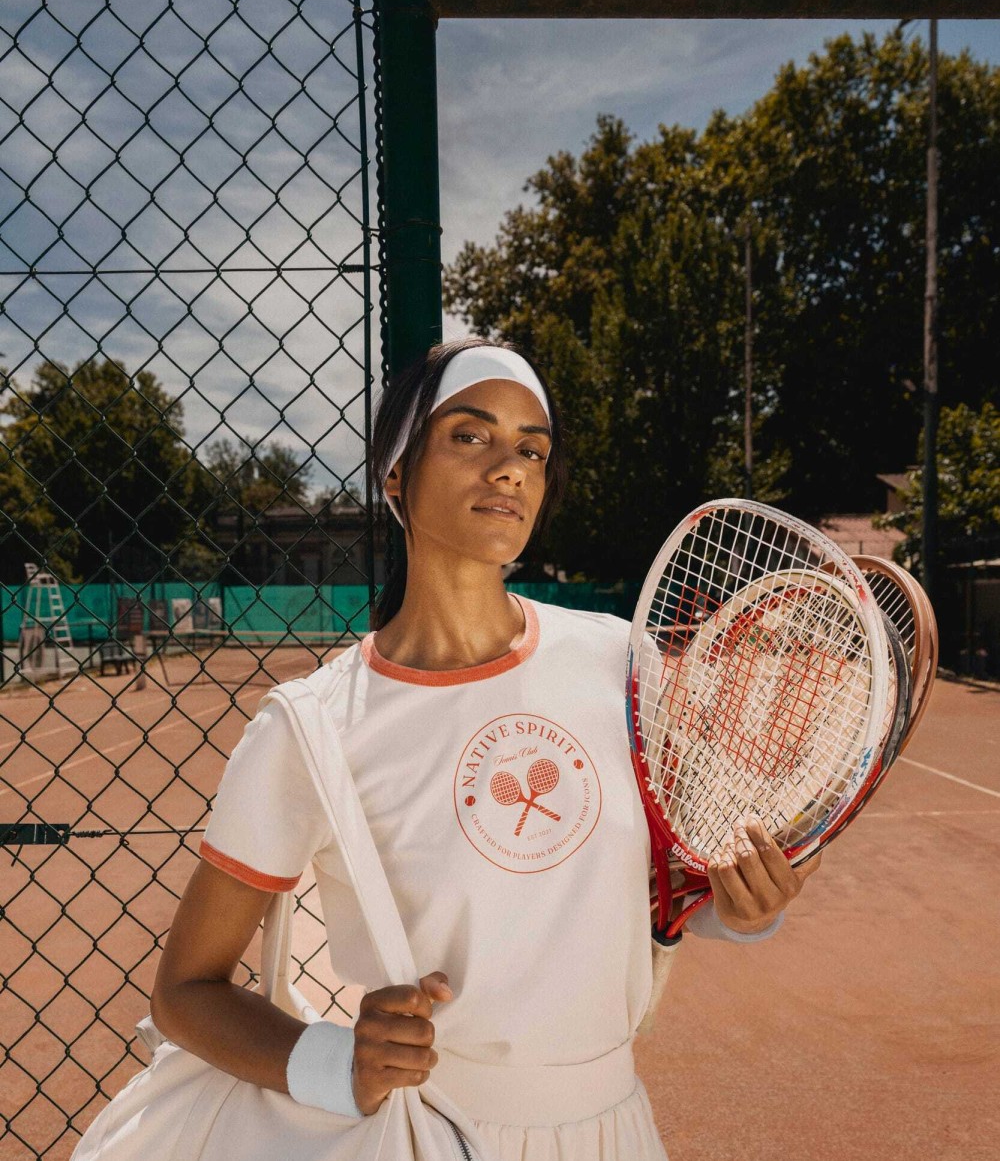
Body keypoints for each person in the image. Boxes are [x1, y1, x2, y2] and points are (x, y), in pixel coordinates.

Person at [150, 338, 820, 1160]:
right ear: (395, 473)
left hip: (616, 1127)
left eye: (531, 450)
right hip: (426, 1135)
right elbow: (187, 991)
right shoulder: (310, 726)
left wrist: (746, 910)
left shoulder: (620, 664)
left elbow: (680, 893)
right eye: (471, 436)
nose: (509, 467)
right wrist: (336, 1062)